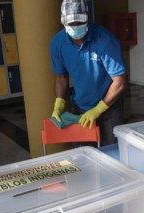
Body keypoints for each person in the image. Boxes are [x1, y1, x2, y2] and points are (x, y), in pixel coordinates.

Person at [50, 0, 127, 146]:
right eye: (71, 23)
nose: (75, 27)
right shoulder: (57, 43)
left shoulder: (105, 40)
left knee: (111, 152)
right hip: (80, 106)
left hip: (109, 107)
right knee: (81, 153)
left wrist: (98, 109)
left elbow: (120, 81)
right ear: (63, 21)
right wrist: (59, 104)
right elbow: (61, 76)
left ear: (87, 17)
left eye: (79, 22)